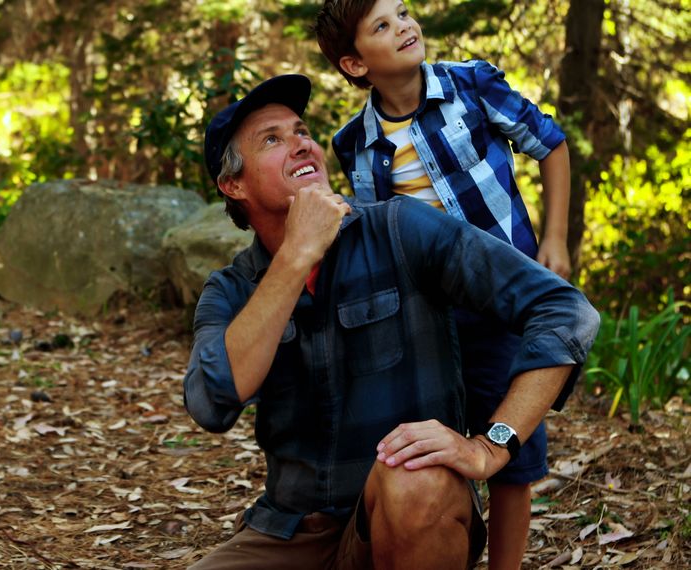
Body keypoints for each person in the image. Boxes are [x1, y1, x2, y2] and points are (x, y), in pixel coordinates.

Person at [184, 73, 598, 569]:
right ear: (233, 184)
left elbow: (565, 310)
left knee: (413, 476)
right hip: (292, 532)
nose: (301, 146)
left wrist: (492, 445)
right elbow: (213, 402)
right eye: (272, 139)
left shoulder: (402, 229)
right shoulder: (229, 291)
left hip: (411, 517)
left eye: (302, 132)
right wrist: (296, 255)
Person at [313, 2, 573, 567]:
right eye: (383, 25)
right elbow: (373, 235)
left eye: (403, 12)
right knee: (421, 449)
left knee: (511, 454)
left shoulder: (472, 85)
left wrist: (555, 240)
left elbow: (550, 143)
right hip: (422, 323)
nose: (405, 26)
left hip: (500, 309)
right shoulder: (352, 143)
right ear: (356, 64)